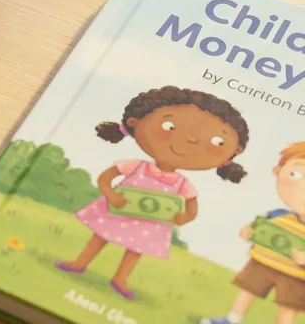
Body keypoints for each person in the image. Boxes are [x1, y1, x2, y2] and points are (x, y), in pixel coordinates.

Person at [55, 86, 249, 300]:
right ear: (135, 123)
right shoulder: (135, 166)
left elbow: (192, 207)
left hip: (150, 222)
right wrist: (112, 196)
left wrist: (183, 217)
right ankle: (80, 262)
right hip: (118, 210)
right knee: (100, 236)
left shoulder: (181, 183)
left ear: (230, 156)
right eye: (169, 126)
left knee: (135, 248)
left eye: (217, 142)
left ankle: (120, 278)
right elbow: (105, 179)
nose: (191, 140)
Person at [202, 143, 305, 324]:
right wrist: (248, 231)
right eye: (295, 174)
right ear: (278, 171)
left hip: (295, 274)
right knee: (248, 290)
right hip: (263, 262)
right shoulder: (278, 216)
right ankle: (232, 319)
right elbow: (258, 228)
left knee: (289, 306)